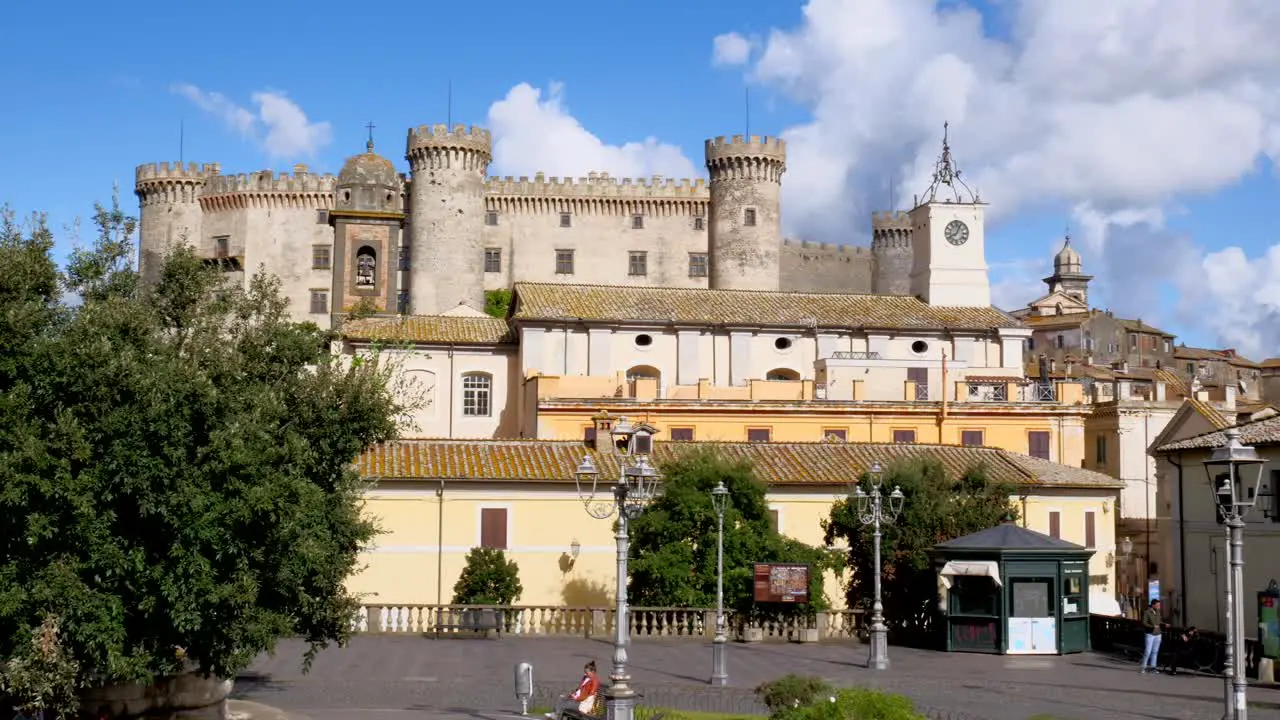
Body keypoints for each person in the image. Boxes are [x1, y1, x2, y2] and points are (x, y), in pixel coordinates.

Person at [1140, 599, 1166, 674]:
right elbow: (1144, 623)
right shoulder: (1147, 612)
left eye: (1159, 605)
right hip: (1150, 634)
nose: (1159, 606)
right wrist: (1152, 626)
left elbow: (1159, 621)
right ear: (1153, 605)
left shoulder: (1158, 612)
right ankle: (1143, 667)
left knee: (1155, 651)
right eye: (1157, 605)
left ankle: (1153, 667)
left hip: (1158, 634)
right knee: (1148, 651)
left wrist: (1164, 624)